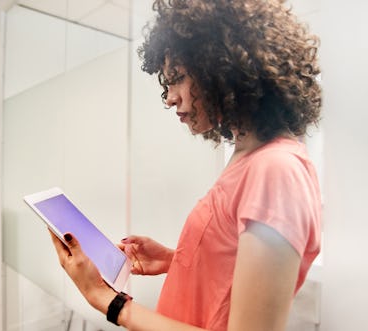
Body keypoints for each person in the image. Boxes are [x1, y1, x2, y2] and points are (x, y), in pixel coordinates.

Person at [49, 0, 322, 330]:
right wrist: (175, 260)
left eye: (177, 78)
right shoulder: (248, 156)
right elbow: (232, 264)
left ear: (222, 70)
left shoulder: (276, 170)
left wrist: (107, 300)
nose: (169, 97)